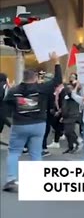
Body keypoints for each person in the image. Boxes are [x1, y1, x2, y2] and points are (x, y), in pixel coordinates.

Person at [2, 52, 61, 192]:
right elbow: (58, 80)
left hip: (20, 124)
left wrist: (12, 120)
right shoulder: (41, 89)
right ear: (34, 78)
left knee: (14, 151)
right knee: (36, 152)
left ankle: (11, 179)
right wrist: (56, 62)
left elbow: (6, 107)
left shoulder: (14, 91)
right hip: (38, 124)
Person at [60, 83, 82, 154]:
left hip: (72, 115)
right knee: (67, 133)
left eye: (69, 88)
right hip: (66, 115)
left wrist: (75, 87)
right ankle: (70, 147)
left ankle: (78, 141)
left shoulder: (73, 96)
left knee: (69, 131)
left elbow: (70, 93)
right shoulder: (66, 96)